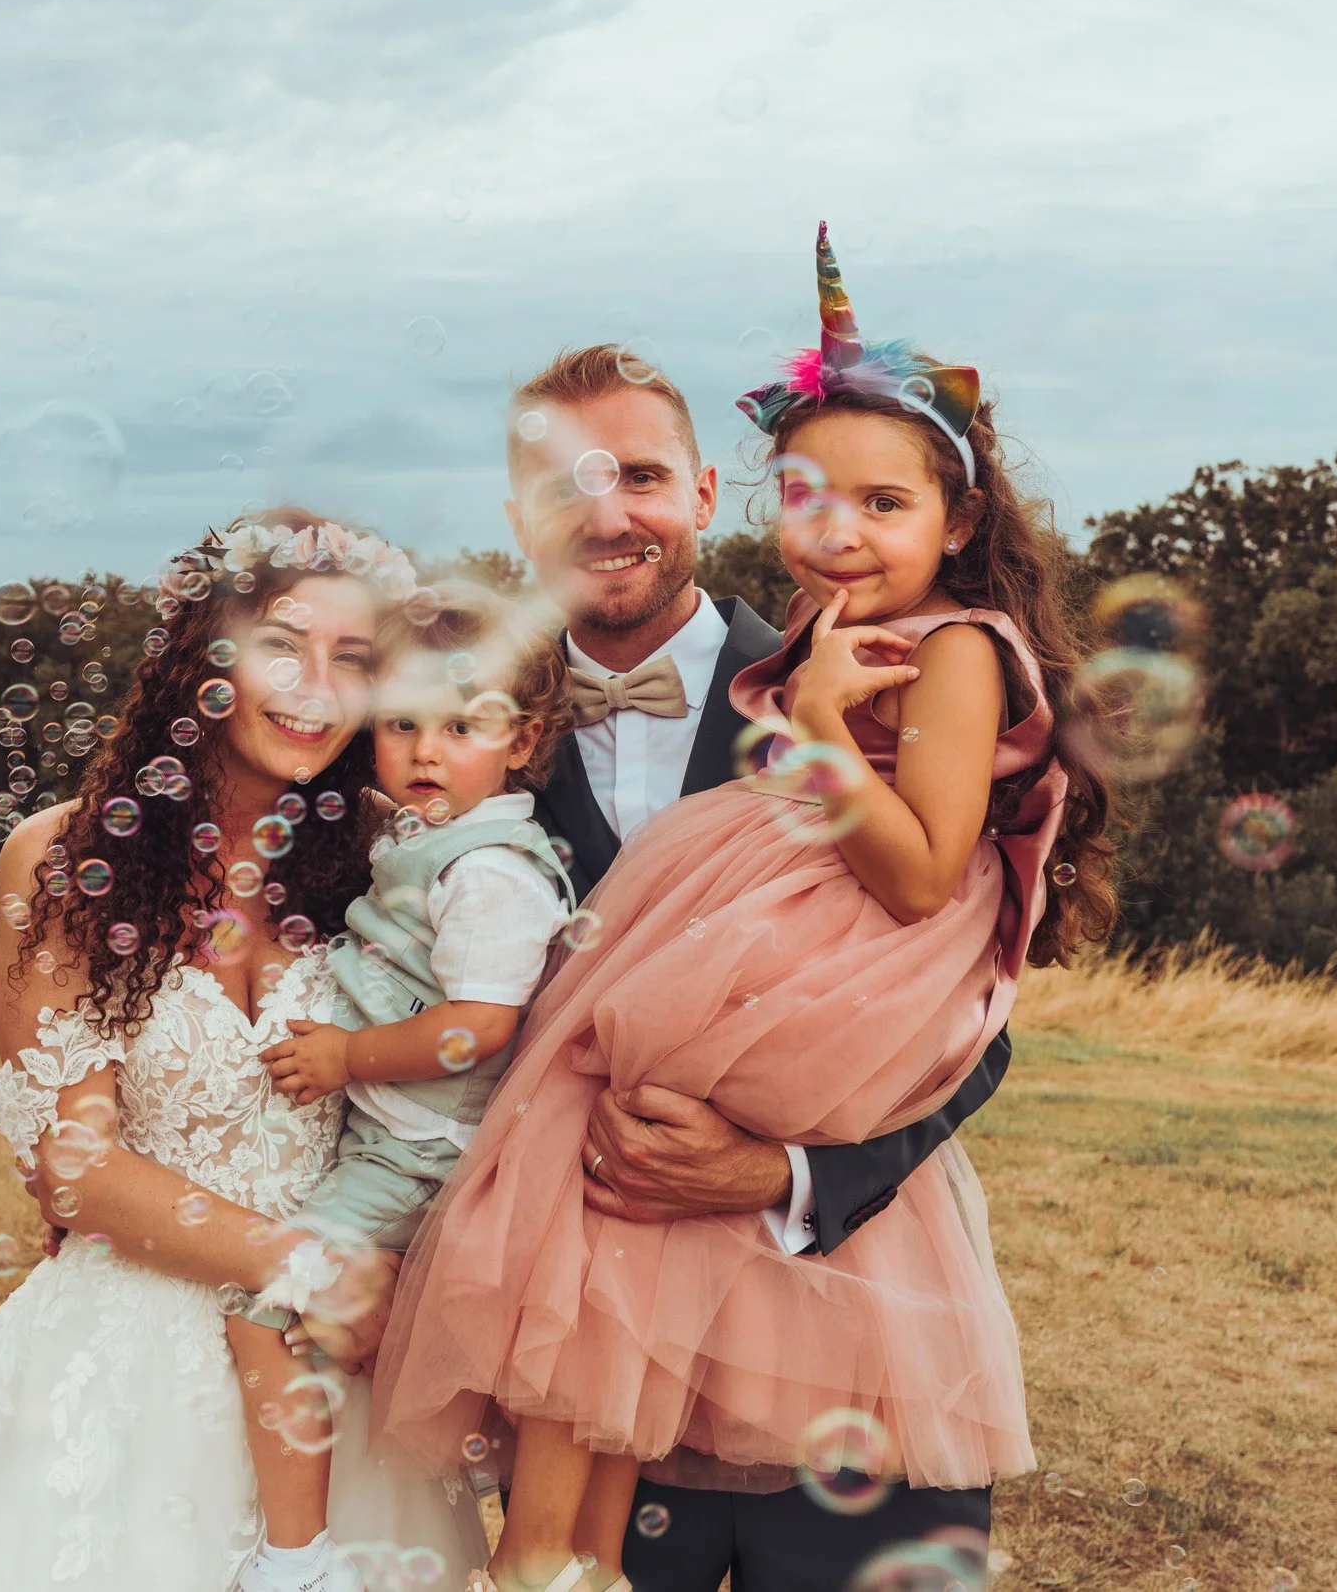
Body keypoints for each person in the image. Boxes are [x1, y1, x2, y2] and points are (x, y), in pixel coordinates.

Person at [372, 225, 1120, 1592]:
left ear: (705, 489)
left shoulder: (863, 678)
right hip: (591, 1346)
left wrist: (785, 1178)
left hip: (846, 1326)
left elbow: (966, 1005)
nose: (608, 516)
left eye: (643, 476)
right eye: (563, 488)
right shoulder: (457, 736)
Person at [0, 511, 486, 1592]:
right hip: (135, 1349)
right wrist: (304, 1266)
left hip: (335, 1360)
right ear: (199, 658)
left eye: (352, 659)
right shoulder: (71, 857)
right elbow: (71, 1166)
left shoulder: (392, 850)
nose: (317, 687)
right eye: (282, 644)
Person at [221, 582, 578, 1588]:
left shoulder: (492, 873)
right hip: (396, 1139)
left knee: (267, 1313)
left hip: (421, 1151)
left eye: (462, 725)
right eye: (403, 724)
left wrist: (343, 1058)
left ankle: (296, 1561)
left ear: (522, 740)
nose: (426, 751)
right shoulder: (422, 841)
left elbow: (480, 1025)